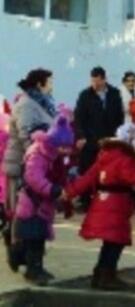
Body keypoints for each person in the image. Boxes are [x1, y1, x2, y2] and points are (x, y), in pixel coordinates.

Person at [63, 122, 135, 290]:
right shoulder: (125, 159)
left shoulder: (104, 156)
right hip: (116, 206)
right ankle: (107, 276)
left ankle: (100, 274)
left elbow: (86, 179)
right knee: (115, 242)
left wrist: (69, 193)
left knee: (110, 243)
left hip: (101, 204)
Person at [3, 68, 55, 271]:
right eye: (50, 82)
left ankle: (27, 259)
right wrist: (38, 159)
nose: (52, 86)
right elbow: (28, 136)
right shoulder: (26, 105)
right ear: (40, 84)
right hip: (24, 167)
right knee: (26, 215)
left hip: (36, 166)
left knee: (33, 215)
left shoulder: (40, 103)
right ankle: (20, 255)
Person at [15, 113, 75, 285]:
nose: (66, 151)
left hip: (42, 203)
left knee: (38, 237)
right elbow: (33, 177)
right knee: (33, 237)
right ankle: (33, 270)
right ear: (55, 142)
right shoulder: (39, 153)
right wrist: (53, 190)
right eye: (63, 147)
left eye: (67, 147)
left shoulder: (53, 154)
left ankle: (36, 266)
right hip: (32, 203)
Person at [73, 67, 125, 184]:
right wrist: (81, 135)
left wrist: (118, 134)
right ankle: (85, 198)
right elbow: (79, 117)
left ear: (104, 80)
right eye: (92, 81)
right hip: (91, 139)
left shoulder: (114, 94)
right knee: (88, 170)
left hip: (109, 139)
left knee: (108, 170)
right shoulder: (85, 95)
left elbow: (119, 116)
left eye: (97, 81)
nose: (94, 85)